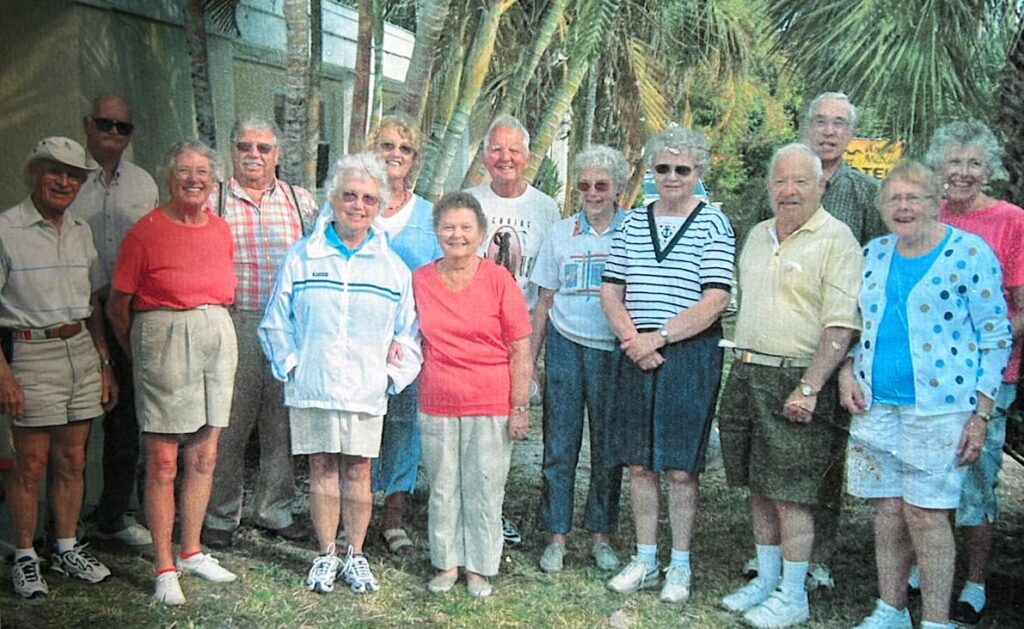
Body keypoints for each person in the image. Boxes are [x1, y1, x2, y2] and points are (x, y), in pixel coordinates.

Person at [840, 160, 1011, 629]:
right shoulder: (873, 253)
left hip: (941, 409)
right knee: (888, 511)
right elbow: (856, 325)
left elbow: (996, 336)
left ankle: (936, 620)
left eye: (914, 197)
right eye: (894, 198)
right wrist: (846, 372)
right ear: (881, 207)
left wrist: (981, 413)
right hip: (877, 405)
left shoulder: (969, 253)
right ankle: (891, 609)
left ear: (937, 203)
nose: (903, 206)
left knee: (927, 515)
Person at [260, 153, 421, 595]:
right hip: (313, 386)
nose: (358, 205)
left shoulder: (392, 268)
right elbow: (276, 321)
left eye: (369, 198)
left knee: (358, 471)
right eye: (349, 195)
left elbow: (410, 332)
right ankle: (327, 554)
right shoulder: (303, 256)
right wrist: (293, 367)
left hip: (365, 390)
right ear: (333, 198)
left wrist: (390, 376)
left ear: (378, 205)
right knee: (322, 467)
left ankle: (356, 554)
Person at [717, 143, 862, 627]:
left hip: (798, 377)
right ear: (769, 187)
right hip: (747, 370)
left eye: (801, 180)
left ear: (822, 185)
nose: (789, 190)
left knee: (792, 494)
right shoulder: (757, 235)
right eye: (780, 181)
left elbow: (841, 326)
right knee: (758, 485)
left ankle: (793, 594)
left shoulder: (837, 240)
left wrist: (811, 386)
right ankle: (767, 578)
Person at [600, 125, 734, 604]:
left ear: (698, 171)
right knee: (639, 463)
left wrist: (661, 336)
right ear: (650, 171)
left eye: (682, 169)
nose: (672, 177)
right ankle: (645, 557)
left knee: (680, 468)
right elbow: (612, 290)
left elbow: (716, 297)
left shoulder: (715, 222)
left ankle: (679, 564)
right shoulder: (633, 222)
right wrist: (634, 340)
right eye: (662, 168)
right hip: (635, 351)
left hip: (689, 354)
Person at [107, 140, 239, 605]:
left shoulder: (221, 229)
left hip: (216, 336)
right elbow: (118, 306)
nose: (194, 180)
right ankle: (164, 566)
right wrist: (141, 355)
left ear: (214, 180)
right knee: (163, 461)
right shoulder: (145, 232)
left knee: (204, 454)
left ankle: (192, 550)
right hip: (163, 337)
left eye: (202, 172)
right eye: (184, 171)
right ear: (169, 177)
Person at [2, 137, 116, 600]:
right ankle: (26, 555)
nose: (64, 181)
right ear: (34, 173)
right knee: (30, 462)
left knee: (73, 458)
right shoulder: (7, 229)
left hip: (82, 353)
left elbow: (92, 304)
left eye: (74, 175)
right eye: (55, 171)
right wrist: (4, 374)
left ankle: (66, 547)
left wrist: (105, 362)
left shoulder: (81, 230)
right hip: (31, 352)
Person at [203, 117, 317, 549]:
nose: (254, 155)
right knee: (229, 422)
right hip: (234, 320)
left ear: (278, 154)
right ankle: (220, 513)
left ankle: (275, 508)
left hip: (288, 325)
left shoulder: (300, 200)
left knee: (281, 423)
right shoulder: (214, 198)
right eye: (245, 146)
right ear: (232, 151)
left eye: (264, 148)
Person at [926, 120, 1024, 624]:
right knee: (928, 473)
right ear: (939, 168)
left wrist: (982, 353)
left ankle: (975, 581)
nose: (962, 173)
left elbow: (1019, 307)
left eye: (973, 164)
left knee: (976, 478)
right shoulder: (926, 215)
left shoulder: (1010, 221)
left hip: (987, 377)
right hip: (929, 376)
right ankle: (928, 565)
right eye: (954, 163)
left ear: (988, 169)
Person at [414, 192, 532, 598]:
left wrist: (520, 407)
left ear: (481, 233)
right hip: (438, 400)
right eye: (448, 227)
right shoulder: (421, 280)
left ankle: (480, 567)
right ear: (436, 232)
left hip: (490, 402)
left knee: (484, 488)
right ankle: (446, 563)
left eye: (466, 227)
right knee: (443, 487)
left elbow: (520, 347)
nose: (457, 235)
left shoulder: (500, 280)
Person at [530, 145, 629, 574]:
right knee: (559, 446)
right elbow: (544, 300)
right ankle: (557, 536)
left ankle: (601, 536)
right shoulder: (560, 233)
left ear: (617, 189)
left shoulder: (634, 231)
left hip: (613, 351)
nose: (592, 193)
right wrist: (530, 360)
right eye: (584, 185)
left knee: (608, 450)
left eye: (601, 185)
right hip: (566, 347)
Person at [464, 114, 559, 546]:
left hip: (518, 338)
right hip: (471, 337)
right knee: (468, 428)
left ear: (527, 157)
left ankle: (493, 513)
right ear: (485, 156)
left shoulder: (545, 208)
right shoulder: (468, 200)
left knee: (504, 431)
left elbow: (544, 291)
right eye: (497, 149)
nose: (505, 158)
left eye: (513, 150)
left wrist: (532, 356)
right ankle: (464, 511)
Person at [70, 93, 158, 548]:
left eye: (123, 127)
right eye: (106, 124)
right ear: (88, 125)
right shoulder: (68, 179)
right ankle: (67, 522)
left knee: (124, 422)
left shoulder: (144, 185)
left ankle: (113, 516)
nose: (114, 133)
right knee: (74, 426)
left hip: (126, 317)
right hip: (77, 315)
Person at [365, 113, 440, 554]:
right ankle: (353, 513)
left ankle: (393, 517)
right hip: (355, 340)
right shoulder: (354, 202)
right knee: (358, 424)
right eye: (387, 145)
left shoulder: (428, 215)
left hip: (409, 342)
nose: (395, 155)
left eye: (404, 149)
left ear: (415, 159)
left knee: (403, 424)